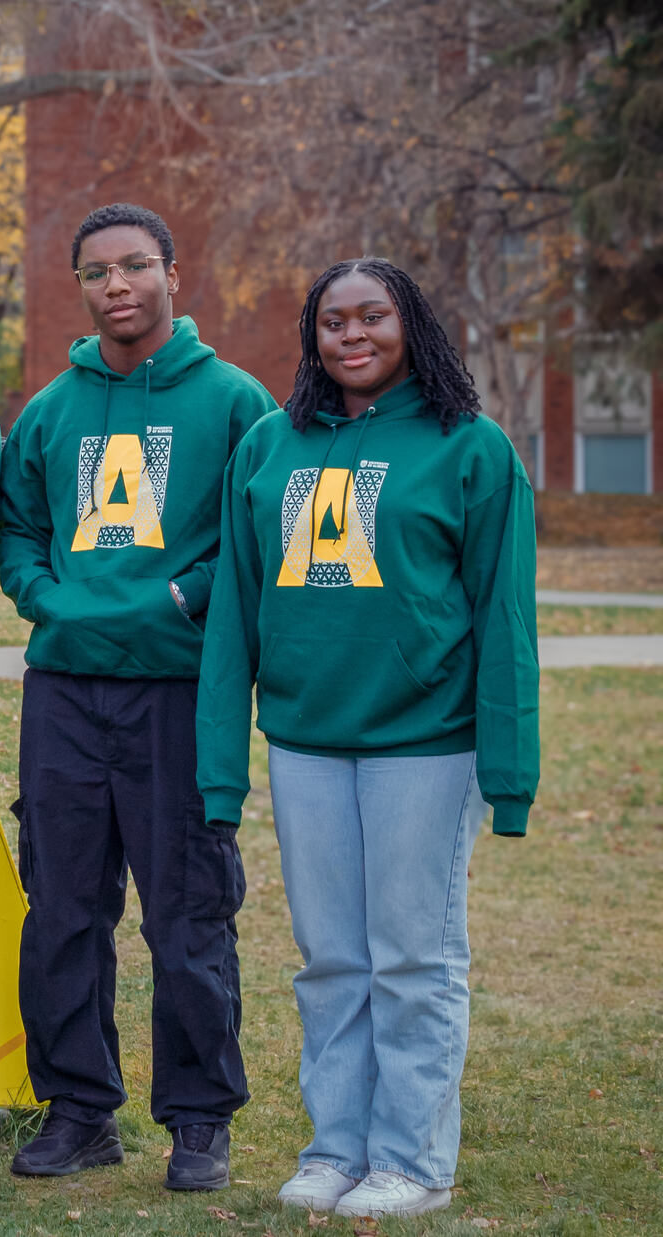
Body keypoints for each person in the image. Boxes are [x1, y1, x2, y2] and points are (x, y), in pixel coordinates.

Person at [197, 257, 538, 1218]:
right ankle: (336, 1146)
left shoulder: (468, 447)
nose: (351, 335)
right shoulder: (271, 445)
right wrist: (221, 772)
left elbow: (505, 619)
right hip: (304, 742)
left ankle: (413, 1160)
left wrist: (508, 776)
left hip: (426, 744)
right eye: (332, 321)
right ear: (312, 336)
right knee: (330, 958)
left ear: (409, 324)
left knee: (412, 956)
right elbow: (235, 616)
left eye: (372, 317)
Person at [0, 203, 278, 1190]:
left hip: (177, 690)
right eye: (97, 271)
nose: (116, 285)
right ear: (80, 286)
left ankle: (199, 1118)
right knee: (63, 909)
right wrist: (48, 598)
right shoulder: (50, 409)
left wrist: (177, 597)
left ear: (169, 270)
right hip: (65, 690)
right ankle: (78, 1110)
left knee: (187, 911)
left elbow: (254, 537)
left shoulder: (235, 403)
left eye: (134, 266)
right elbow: (19, 528)